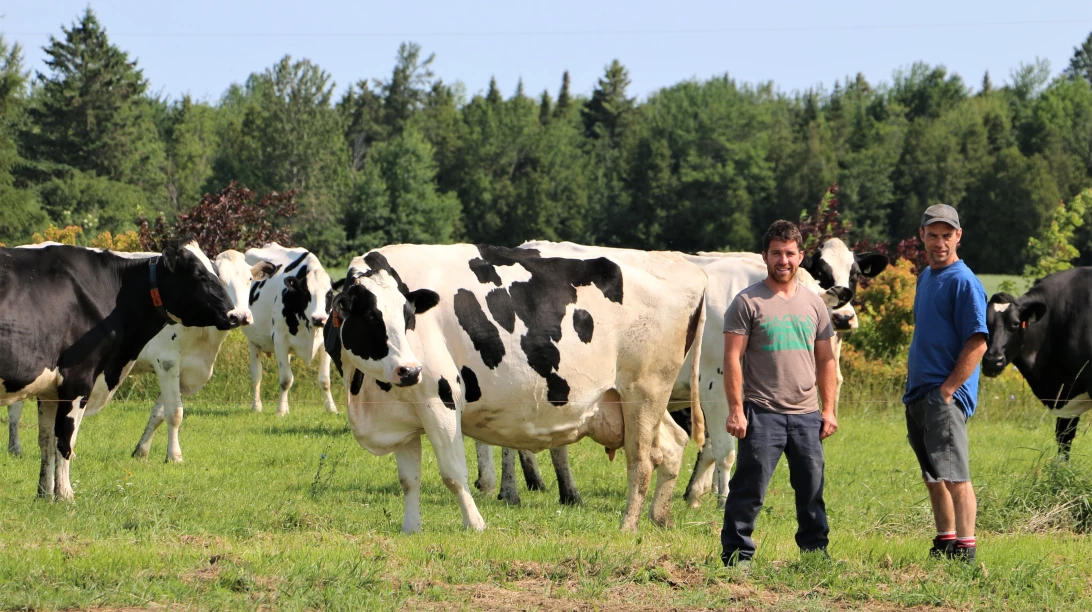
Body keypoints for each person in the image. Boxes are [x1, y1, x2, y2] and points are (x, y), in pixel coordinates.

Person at [721, 220, 839, 567]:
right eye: (776, 253)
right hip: (762, 412)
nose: (783, 260)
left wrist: (828, 409)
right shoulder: (746, 302)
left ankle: (815, 555)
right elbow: (732, 358)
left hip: (806, 416)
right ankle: (737, 555)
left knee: (812, 491)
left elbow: (826, 361)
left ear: (800, 256)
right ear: (765, 256)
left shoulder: (815, 305)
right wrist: (735, 409)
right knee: (749, 490)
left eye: (790, 253)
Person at [902, 204, 987, 563]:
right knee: (934, 476)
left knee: (954, 475)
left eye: (946, 235)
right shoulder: (927, 276)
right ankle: (945, 541)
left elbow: (978, 341)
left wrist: (949, 389)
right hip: (920, 392)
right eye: (933, 235)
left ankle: (965, 550)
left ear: (958, 236)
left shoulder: (964, 282)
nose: (940, 242)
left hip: (944, 395)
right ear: (922, 236)